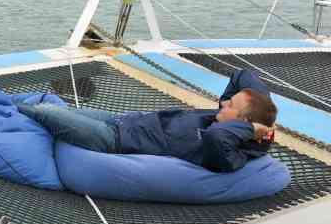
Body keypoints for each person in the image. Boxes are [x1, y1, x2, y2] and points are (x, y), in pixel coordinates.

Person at [16, 69, 277, 173]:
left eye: (231, 105)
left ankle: (6, 106)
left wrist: (251, 128)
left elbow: (216, 139)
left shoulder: (229, 153)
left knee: (48, 113)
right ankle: (17, 108)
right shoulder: (223, 119)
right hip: (122, 121)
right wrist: (265, 117)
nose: (223, 102)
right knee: (50, 105)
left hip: (115, 141)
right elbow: (243, 74)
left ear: (244, 122)